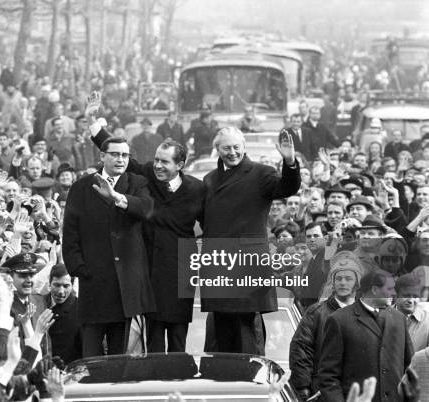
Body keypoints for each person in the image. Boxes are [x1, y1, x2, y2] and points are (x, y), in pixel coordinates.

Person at [86, 92, 204, 353]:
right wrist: (93, 122)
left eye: (165, 162)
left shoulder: (197, 189)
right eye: (157, 160)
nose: (158, 166)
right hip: (149, 268)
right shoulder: (149, 174)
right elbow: (119, 153)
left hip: (180, 271)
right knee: (153, 339)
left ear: (181, 164)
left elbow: (212, 223)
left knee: (177, 340)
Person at [200, 126, 300, 354]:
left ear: (244, 147)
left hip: (248, 265)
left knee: (248, 334)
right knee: (220, 331)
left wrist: (290, 162)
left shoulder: (261, 173)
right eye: (226, 148)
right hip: (219, 263)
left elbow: (287, 187)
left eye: (237, 147)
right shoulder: (209, 179)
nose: (232, 152)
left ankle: (252, 385)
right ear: (217, 149)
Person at [63, 135, 156, 357]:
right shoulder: (82, 187)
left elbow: (146, 209)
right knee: (91, 354)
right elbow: (71, 232)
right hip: (94, 284)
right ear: (102, 156)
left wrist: (116, 197)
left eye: (125, 155)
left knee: (120, 355)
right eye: (115, 154)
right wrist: (80, 269)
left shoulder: (137, 183)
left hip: (124, 288)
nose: (120, 159)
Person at [317, 270, 415, 402]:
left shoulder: (399, 319)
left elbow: (411, 369)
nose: (394, 293)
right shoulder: (339, 320)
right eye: (390, 289)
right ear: (374, 290)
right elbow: (328, 376)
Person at [289, 257, 361, 400]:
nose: (343, 283)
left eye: (348, 279)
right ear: (332, 283)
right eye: (338, 278)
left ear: (357, 284)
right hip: (323, 391)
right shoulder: (316, 312)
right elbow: (301, 349)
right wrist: (304, 387)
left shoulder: (366, 313)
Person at [395, 274, 429, 352]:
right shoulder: (382, 316)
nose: (410, 300)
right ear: (396, 295)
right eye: (406, 295)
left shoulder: (428, 321)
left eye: (415, 296)